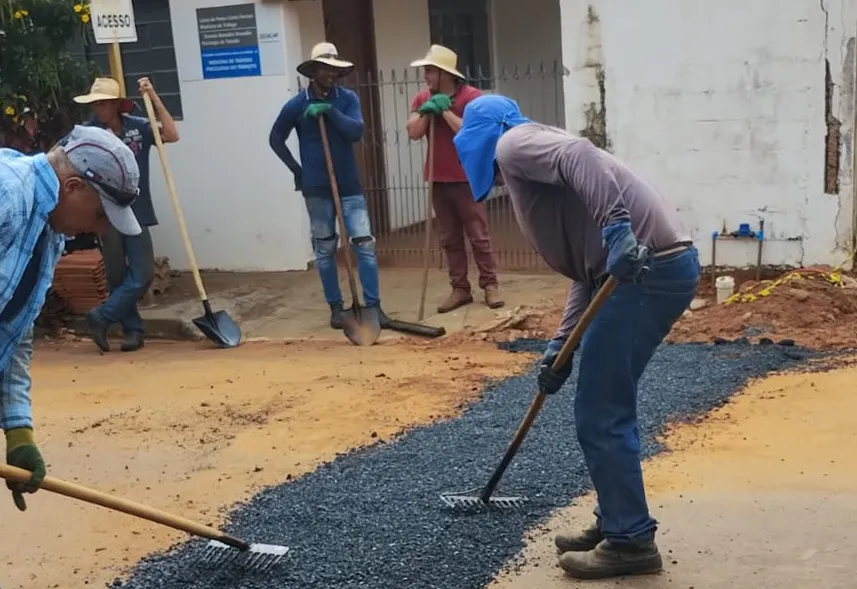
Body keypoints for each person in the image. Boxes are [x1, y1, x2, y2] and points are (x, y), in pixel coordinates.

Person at [454, 94, 700, 580]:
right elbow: (587, 275)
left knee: (601, 411)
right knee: (602, 404)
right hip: (642, 273)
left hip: (643, 274)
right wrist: (558, 349)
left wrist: (617, 231)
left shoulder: (514, 141)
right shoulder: (533, 152)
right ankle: (616, 520)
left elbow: (581, 154)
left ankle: (630, 541)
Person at [0, 125, 141, 510]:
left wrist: (18, 431)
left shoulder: (48, 232)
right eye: (100, 215)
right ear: (73, 186)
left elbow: (12, 333)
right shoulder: (7, 196)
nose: (100, 229)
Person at [269, 42, 390, 329]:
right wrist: (297, 171)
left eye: (335, 69)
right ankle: (336, 308)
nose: (331, 74)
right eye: (325, 68)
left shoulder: (347, 99)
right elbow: (275, 138)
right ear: (313, 71)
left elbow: (356, 131)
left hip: (349, 187)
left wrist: (330, 112)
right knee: (324, 251)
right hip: (316, 190)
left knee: (364, 245)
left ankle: (373, 307)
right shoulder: (297, 104)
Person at [74, 77, 180, 352]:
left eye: (104, 103)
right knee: (117, 276)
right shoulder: (87, 133)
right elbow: (62, 155)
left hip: (138, 212)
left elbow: (171, 134)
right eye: (95, 104)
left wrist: (153, 96)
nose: (99, 108)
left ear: (117, 105)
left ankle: (102, 316)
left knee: (143, 273)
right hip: (104, 215)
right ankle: (133, 331)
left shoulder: (138, 128)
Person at [406, 45, 504, 313]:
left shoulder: (472, 98)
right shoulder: (422, 98)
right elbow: (413, 132)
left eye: (429, 70)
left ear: (444, 73)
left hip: (467, 177)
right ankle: (460, 288)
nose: (424, 75)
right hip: (438, 178)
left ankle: (490, 285)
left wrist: (446, 112)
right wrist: (427, 110)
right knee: (450, 238)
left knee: (478, 235)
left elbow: (472, 132)